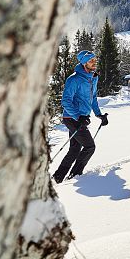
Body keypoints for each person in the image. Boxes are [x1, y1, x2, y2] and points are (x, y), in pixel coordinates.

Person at [52, 51, 109, 183]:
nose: (94, 63)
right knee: (89, 147)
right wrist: (78, 117)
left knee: (75, 149)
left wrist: (99, 114)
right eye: (91, 61)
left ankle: (58, 177)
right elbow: (66, 101)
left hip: (81, 118)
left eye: (95, 60)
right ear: (84, 63)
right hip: (71, 118)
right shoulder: (74, 79)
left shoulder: (93, 78)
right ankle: (75, 175)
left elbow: (93, 98)